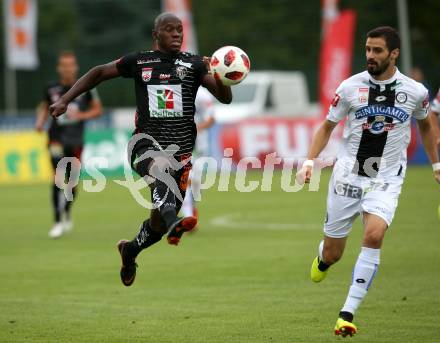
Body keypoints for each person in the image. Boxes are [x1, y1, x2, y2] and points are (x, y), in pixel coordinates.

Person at [49, 13, 232, 287]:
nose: (176, 35)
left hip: (180, 155)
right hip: (144, 144)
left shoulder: (193, 64)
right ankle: (174, 223)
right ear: (155, 35)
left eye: (179, 30)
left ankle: (130, 250)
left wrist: (223, 76)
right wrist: (65, 99)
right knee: (160, 173)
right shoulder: (140, 62)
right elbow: (98, 72)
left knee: (154, 228)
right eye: (169, 30)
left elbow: (224, 98)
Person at [297, 26, 440, 337]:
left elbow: (426, 127)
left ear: (394, 53)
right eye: (367, 50)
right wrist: (310, 160)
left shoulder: (414, 92)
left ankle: (346, 313)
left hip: (387, 176)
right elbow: (326, 127)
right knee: (334, 253)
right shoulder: (350, 87)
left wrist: (436, 163)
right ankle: (323, 259)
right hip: (348, 175)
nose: (370, 56)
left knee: (374, 235)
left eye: (377, 51)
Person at [35, 51, 103, 238]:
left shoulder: (86, 87)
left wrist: (81, 115)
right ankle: (57, 221)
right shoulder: (51, 88)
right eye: (63, 65)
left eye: (70, 65)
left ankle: (66, 211)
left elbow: (98, 110)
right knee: (57, 178)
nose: (67, 68)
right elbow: (44, 107)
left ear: (75, 67)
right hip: (55, 137)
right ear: (59, 68)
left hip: (75, 140)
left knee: (72, 183)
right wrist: (40, 122)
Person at [180, 86, 216, 221]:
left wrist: (194, 129)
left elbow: (211, 119)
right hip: (182, 142)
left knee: (196, 183)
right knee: (187, 178)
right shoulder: (173, 89)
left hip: (200, 144)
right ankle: (188, 215)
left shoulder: (203, 95)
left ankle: (190, 209)